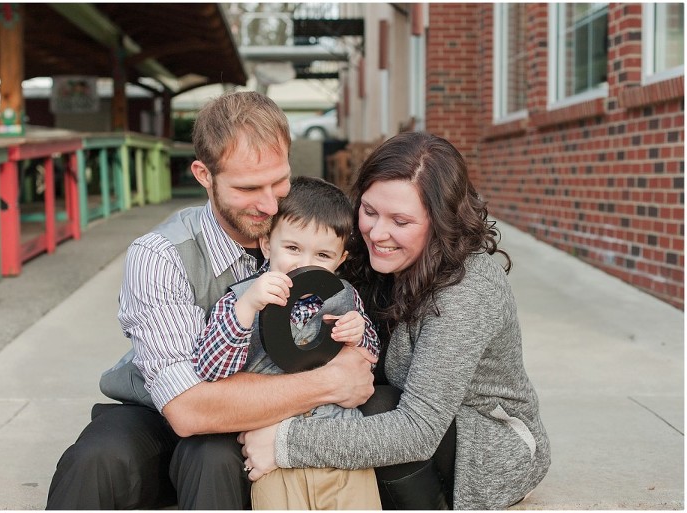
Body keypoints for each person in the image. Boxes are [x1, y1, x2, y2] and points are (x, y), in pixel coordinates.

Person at [46, 91, 376, 510]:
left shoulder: (312, 236)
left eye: (279, 180)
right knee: (96, 461)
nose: (270, 203)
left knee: (214, 456)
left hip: (264, 424)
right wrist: (330, 382)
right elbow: (187, 410)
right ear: (204, 175)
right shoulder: (161, 255)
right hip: (159, 410)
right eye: (248, 187)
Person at [239, 132, 552, 510]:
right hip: (394, 417)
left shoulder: (468, 288)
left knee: (379, 405)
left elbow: (416, 431)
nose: (377, 233)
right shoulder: (356, 252)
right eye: (369, 211)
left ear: (440, 221)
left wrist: (284, 443)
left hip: (482, 443)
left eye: (401, 221)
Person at [194, 176, 382, 510]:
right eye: (292, 248)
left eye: (322, 254)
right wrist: (247, 308)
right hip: (271, 449)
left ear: (340, 260)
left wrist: (359, 333)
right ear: (267, 244)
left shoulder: (343, 296)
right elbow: (209, 370)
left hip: (340, 443)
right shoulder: (242, 297)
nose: (305, 263)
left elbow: (368, 360)